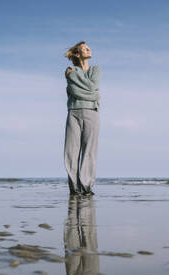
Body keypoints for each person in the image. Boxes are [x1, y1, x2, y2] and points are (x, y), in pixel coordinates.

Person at [63, 41, 101, 196]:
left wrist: (90, 91)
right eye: (85, 48)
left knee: (89, 151)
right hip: (73, 112)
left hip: (92, 112)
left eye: (89, 48)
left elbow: (92, 86)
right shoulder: (70, 70)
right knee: (71, 151)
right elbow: (75, 91)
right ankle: (74, 188)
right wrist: (94, 95)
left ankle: (86, 188)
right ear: (77, 54)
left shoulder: (96, 70)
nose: (89, 49)